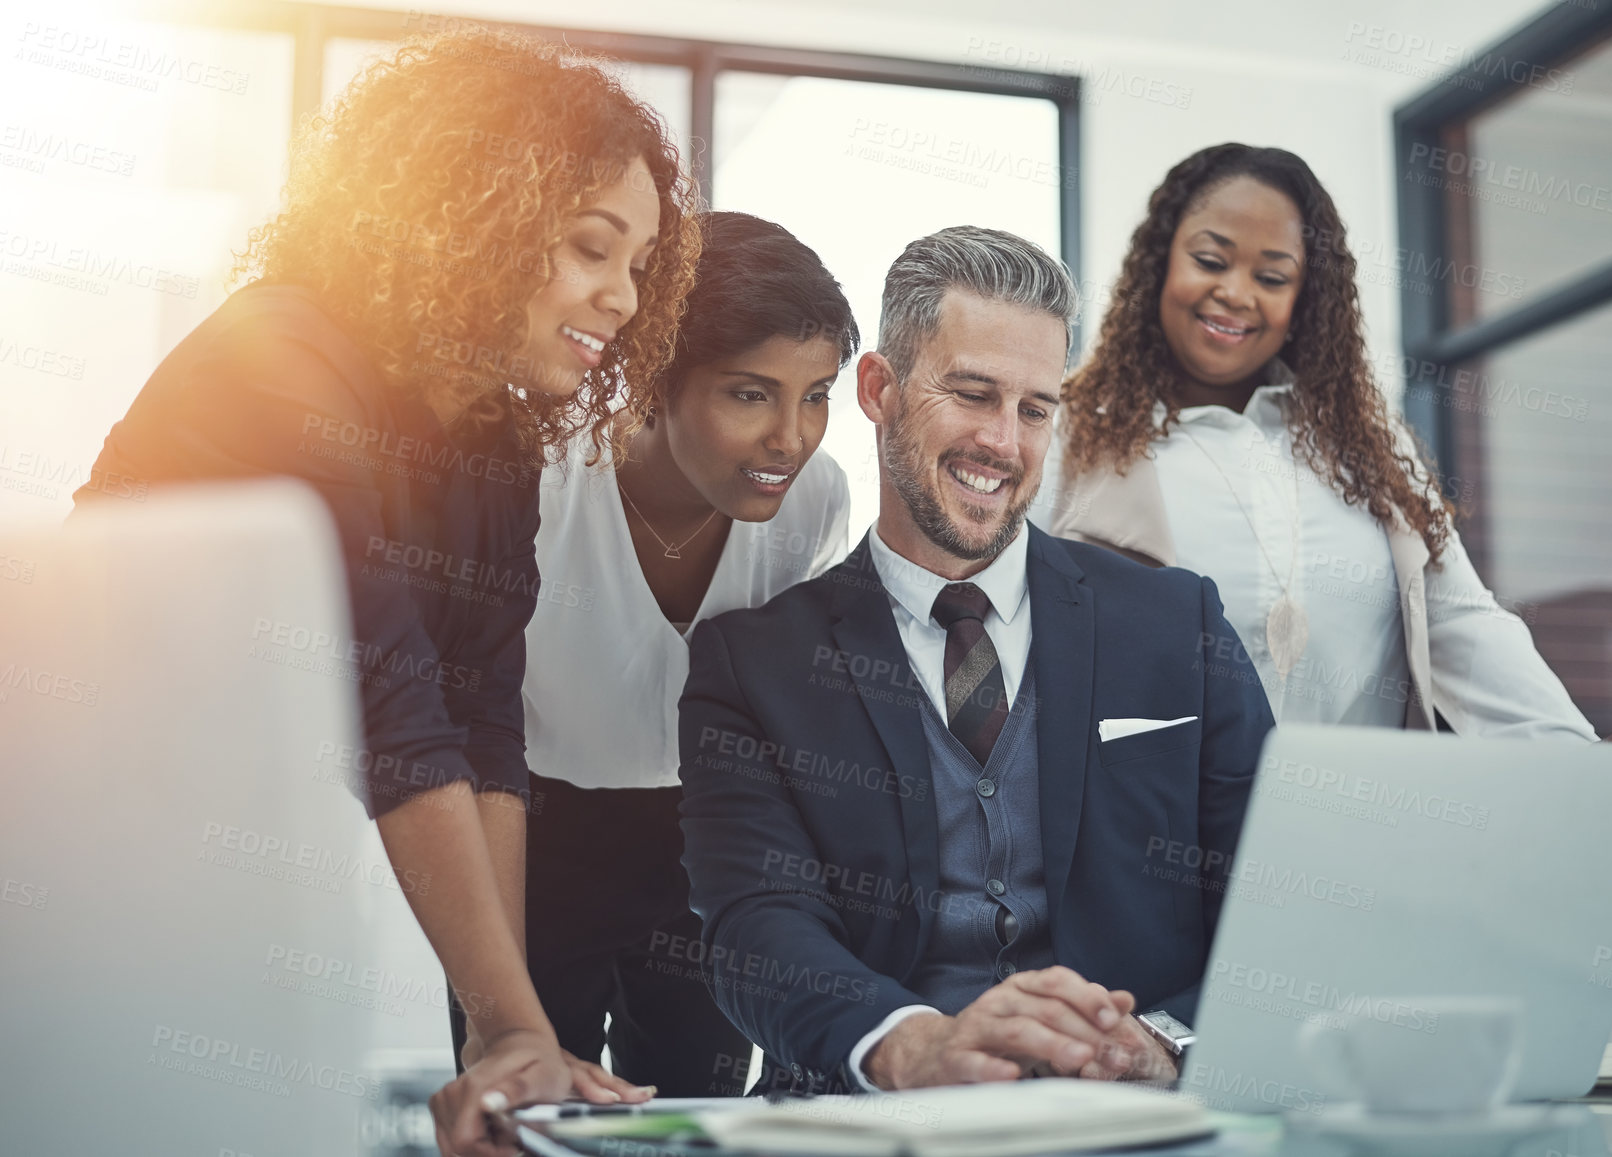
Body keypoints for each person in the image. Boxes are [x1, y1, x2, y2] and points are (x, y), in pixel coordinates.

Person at [71, 29, 699, 1156]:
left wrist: (500, 1035)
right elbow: (392, 703)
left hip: (205, 856)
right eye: (591, 248)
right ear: (474, 218)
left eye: (641, 266)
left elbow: (481, 719)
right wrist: (510, 1019)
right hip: (74, 849)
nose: (620, 297)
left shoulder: (492, 433)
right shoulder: (277, 357)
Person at [676, 226, 1275, 1094]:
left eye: (1035, 408)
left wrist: (1161, 1042)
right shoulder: (750, 664)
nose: (1003, 441)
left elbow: (1270, 895)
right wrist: (909, 1045)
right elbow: (755, 927)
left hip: (1125, 1120)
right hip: (869, 1124)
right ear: (879, 389)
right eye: (973, 393)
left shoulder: (1177, 621)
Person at [1052, 143, 1612, 742]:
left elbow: (1461, 621)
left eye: (1272, 277)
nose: (1236, 293)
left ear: (1304, 297)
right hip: (1149, 828)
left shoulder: (1367, 441)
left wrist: (1576, 752)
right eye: (1210, 261)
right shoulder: (1070, 430)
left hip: (1348, 819)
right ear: (1160, 264)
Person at [516, 211, 859, 1095]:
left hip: (709, 847)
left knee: (693, 1110)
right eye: (750, 394)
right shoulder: (540, 485)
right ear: (650, 379)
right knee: (529, 1114)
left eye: (815, 394)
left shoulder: (812, 498)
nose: (792, 437)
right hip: (535, 844)